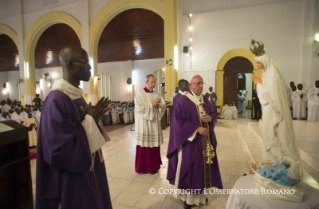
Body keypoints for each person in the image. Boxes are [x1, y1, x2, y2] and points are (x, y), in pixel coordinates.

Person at [36, 45, 112, 209]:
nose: (90, 67)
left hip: (90, 171)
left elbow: (84, 127)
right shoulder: (57, 99)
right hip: (72, 180)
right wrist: (91, 119)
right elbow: (58, 150)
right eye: (85, 62)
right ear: (70, 65)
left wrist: (92, 119)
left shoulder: (75, 95)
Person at [251, 40, 303, 202]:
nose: (257, 65)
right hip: (269, 113)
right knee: (269, 138)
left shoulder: (272, 72)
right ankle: (272, 164)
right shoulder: (268, 72)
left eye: (258, 62)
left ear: (264, 60)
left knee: (276, 138)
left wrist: (258, 84)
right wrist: (260, 82)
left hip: (275, 114)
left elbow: (269, 98)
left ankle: (280, 167)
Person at [167, 75, 222, 209]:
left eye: (201, 83)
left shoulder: (204, 100)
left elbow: (213, 114)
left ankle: (200, 197)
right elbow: (178, 122)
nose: (200, 86)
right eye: (197, 84)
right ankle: (188, 199)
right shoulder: (183, 101)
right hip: (190, 144)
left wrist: (210, 118)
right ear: (190, 85)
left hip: (204, 141)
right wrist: (196, 129)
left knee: (202, 170)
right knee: (191, 169)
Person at [134, 74, 166, 174]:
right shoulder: (140, 94)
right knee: (145, 145)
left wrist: (161, 104)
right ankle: (143, 168)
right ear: (146, 82)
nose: (153, 84)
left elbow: (163, 107)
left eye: (154, 82)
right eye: (151, 82)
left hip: (154, 123)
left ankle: (154, 167)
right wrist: (151, 105)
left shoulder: (156, 93)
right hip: (144, 124)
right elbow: (138, 109)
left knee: (154, 145)